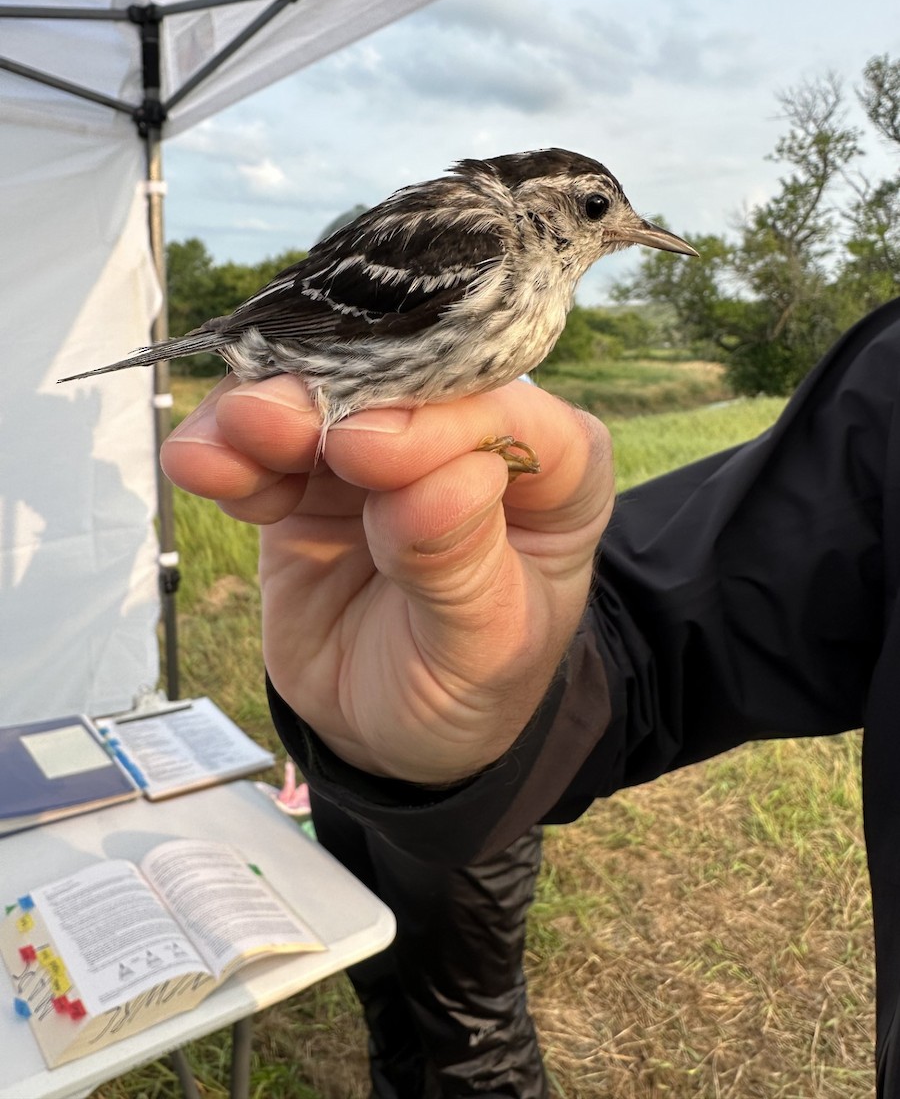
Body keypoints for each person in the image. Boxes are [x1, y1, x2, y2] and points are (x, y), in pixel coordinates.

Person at [162, 297, 900, 1097]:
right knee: (392, 988)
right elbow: (660, 631)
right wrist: (479, 682)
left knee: (469, 1019)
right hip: (406, 713)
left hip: (467, 852)